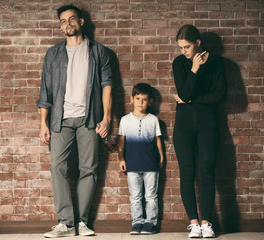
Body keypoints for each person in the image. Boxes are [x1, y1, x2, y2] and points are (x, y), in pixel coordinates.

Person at [36, 4, 112, 238]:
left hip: (89, 119)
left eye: (71, 19)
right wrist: (43, 123)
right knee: (57, 167)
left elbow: (107, 85)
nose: (67, 24)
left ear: (81, 22)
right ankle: (66, 223)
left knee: (88, 169)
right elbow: (45, 91)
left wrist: (107, 117)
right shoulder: (53, 54)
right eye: (62, 21)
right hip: (60, 119)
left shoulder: (99, 52)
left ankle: (82, 222)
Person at [172, 25, 227, 238]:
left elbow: (220, 95)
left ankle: (206, 223)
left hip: (208, 123)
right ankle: (194, 224)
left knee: (206, 170)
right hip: (183, 124)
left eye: (187, 47)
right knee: (187, 171)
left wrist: (192, 99)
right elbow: (183, 91)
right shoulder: (179, 63)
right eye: (180, 47)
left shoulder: (216, 62)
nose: (183, 51)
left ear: (198, 43)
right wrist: (194, 69)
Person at [118, 83, 164, 235]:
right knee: (135, 196)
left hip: (151, 164)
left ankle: (151, 222)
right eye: (138, 99)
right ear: (132, 99)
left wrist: (161, 157)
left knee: (151, 196)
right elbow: (121, 142)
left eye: (144, 99)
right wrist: (121, 159)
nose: (140, 102)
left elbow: (158, 140)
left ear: (150, 101)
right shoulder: (124, 120)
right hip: (132, 163)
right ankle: (137, 221)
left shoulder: (153, 120)